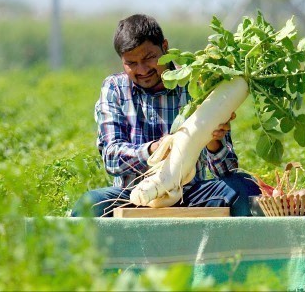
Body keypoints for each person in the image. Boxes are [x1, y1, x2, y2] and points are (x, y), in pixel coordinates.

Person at [71, 14, 259, 217]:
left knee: (244, 187)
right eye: (131, 63)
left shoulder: (195, 84)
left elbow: (226, 170)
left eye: (148, 58)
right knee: (88, 206)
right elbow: (112, 157)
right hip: (132, 197)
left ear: (165, 47)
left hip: (191, 196)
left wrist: (214, 142)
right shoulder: (115, 88)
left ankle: (240, 249)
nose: (142, 69)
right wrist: (155, 150)